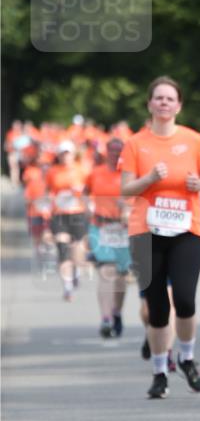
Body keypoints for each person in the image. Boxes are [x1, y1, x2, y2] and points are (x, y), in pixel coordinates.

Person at [120, 77, 200, 399]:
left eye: (169, 98)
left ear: (178, 105)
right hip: (145, 232)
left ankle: (186, 358)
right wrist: (149, 178)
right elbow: (125, 188)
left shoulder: (193, 140)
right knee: (157, 307)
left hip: (186, 230)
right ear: (149, 104)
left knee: (185, 298)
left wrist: (199, 184)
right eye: (158, 98)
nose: (163, 103)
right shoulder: (136, 143)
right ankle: (160, 372)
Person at [85, 138, 131, 338]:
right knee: (106, 271)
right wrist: (87, 206)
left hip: (123, 228)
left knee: (121, 276)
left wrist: (129, 208)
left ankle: (117, 312)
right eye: (112, 149)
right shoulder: (96, 173)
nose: (115, 153)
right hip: (100, 226)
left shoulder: (129, 175)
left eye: (119, 150)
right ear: (106, 152)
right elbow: (85, 192)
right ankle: (105, 318)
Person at [46, 141, 89, 301]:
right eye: (63, 153)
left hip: (77, 213)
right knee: (62, 247)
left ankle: (76, 271)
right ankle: (68, 287)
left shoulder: (82, 169)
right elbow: (49, 191)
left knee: (77, 250)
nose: (65, 156)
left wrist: (80, 191)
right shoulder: (53, 172)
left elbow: (88, 190)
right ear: (59, 155)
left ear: (73, 154)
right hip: (59, 214)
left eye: (68, 153)